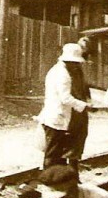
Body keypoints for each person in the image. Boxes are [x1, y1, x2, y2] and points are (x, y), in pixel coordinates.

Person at [36, 42, 92, 172]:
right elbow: (65, 98)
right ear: (68, 61)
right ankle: (49, 181)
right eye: (74, 63)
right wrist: (84, 106)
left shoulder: (58, 70)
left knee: (57, 155)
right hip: (56, 118)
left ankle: (58, 183)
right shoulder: (62, 74)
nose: (76, 65)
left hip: (57, 117)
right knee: (52, 155)